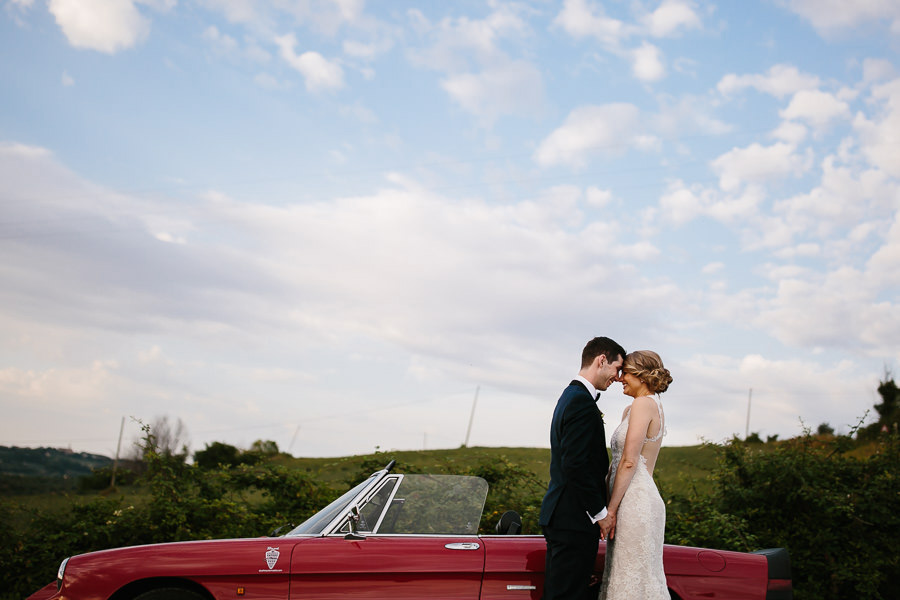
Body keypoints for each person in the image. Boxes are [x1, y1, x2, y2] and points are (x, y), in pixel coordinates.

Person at [539, 336, 626, 600]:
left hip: (563, 515)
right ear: (601, 360)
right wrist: (600, 513)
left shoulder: (571, 395)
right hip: (573, 518)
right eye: (616, 368)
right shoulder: (580, 402)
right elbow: (576, 464)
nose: (618, 377)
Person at [599, 350, 673, 600]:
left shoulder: (644, 404)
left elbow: (629, 462)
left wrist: (610, 509)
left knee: (632, 577)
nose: (620, 379)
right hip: (630, 498)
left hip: (634, 502)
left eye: (626, 373)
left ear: (641, 376)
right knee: (623, 573)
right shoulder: (633, 409)